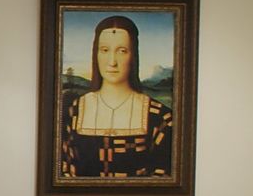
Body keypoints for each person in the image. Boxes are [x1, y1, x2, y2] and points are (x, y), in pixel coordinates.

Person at [60, 14, 174, 178]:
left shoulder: (161, 119)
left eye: (122, 51)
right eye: (105, 50)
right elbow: (62, 173)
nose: (112, 61)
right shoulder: (72, 113)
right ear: (96, 54)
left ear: (133, 55)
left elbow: (164, 178)